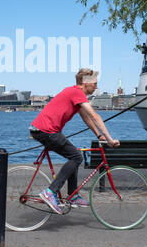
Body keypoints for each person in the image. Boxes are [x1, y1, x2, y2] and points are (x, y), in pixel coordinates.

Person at [29, 68, 120, 214]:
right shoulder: (76, 92)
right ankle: (50, 192)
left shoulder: (75, 93)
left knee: (74, 155)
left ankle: (72, 195)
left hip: (43, 130)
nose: (96, 87)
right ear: (85, 83)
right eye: (95, 84)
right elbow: (95, 116)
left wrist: (99, 135)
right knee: (76, 157)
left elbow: (86, 118)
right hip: (46, 131)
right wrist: (109, 139)